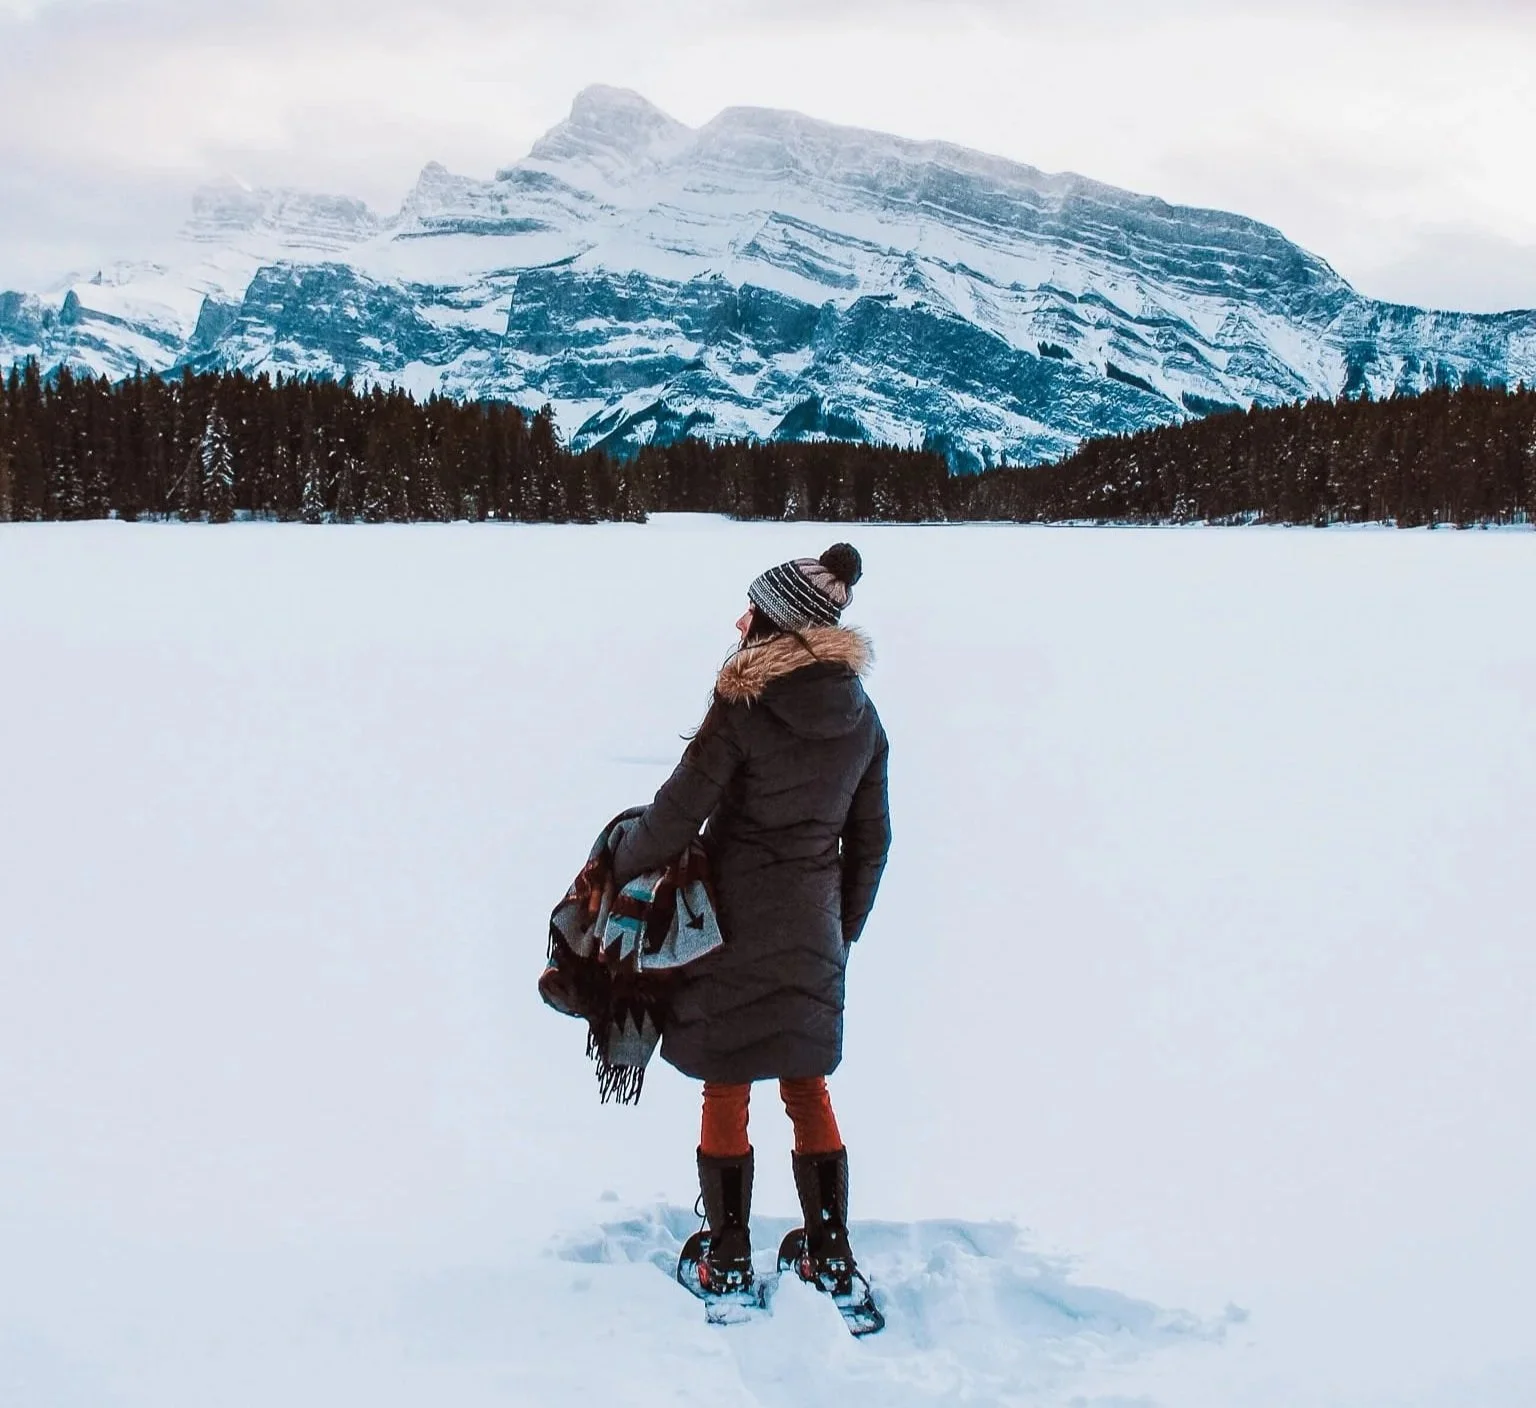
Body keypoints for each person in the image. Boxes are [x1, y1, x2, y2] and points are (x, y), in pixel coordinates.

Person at [612, 543, 891, 1302]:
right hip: (813, 926)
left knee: (727, 1081)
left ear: (782, 623)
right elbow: (873, 841)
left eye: (756, 610)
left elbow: (678, 811)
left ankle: (727, 1252)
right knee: (807, 1084)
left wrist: (621, 862)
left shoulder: (741, 707)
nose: (742, 621)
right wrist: (842, 928)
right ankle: (828, 1251)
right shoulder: (863, 720)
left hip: (729, 922)